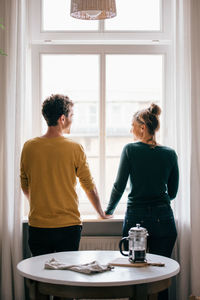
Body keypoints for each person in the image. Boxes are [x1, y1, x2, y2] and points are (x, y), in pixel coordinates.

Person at [105, 103, 179, 300]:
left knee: (133, 275)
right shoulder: (170, 154)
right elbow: (172, 193)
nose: (131, 130)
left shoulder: (130, 150)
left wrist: (108, 210)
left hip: (136, 218)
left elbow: (119, 186)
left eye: (132, 125)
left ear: (143, 127)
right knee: (162, 276)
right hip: (164, 218)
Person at [20, 94, 109, 257]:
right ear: (62, 118)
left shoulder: (29, 147)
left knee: (40, 276)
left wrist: (42, 203)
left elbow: (25, 185)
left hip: (38, 226)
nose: (72, 120)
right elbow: (89, 186)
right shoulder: (75, 148)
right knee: (66, 277)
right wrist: (101, 213)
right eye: (71, 116)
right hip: (68, 227)